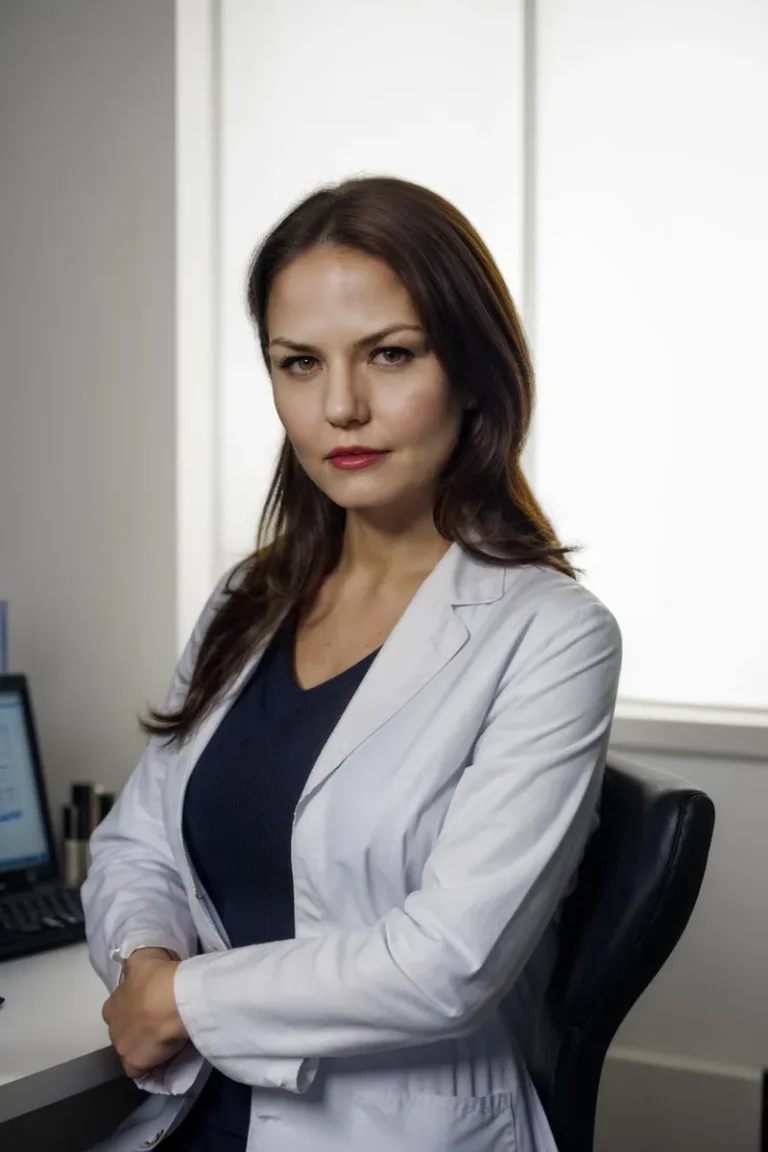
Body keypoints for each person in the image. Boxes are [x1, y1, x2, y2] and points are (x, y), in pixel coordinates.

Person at [82, 174, 622, 1152]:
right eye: (298, 363)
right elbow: (135, 846)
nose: (341, 405)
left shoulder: (553, 636)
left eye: (391, 355)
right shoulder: (249, 599)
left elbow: (446, 962)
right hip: (200, 1114)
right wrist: (146, 960)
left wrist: (181, 1003)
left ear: (472, 369)